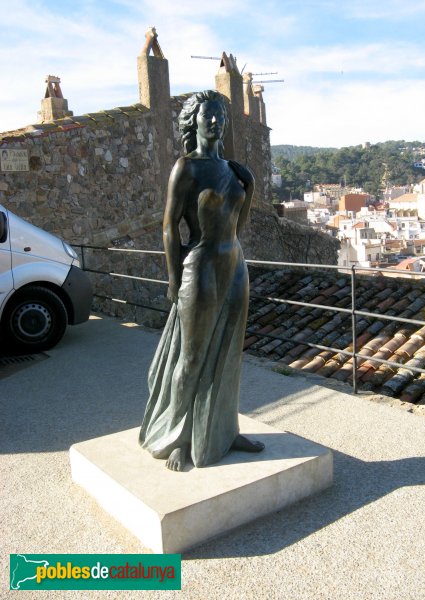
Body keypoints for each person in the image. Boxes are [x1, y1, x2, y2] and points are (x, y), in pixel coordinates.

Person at [139, 90, 264, 471]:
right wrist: (174, 280)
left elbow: (237, 226)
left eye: (220, 116)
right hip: (201, 265)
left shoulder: (232, 170)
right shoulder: (186, 168)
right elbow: (168, 228)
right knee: (190, 358)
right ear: (194, 121)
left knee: (228, 352)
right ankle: (177, 436)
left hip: (234, 263)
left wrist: (251, 188)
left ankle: (223, 431)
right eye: (208, 116)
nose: (215, 122)